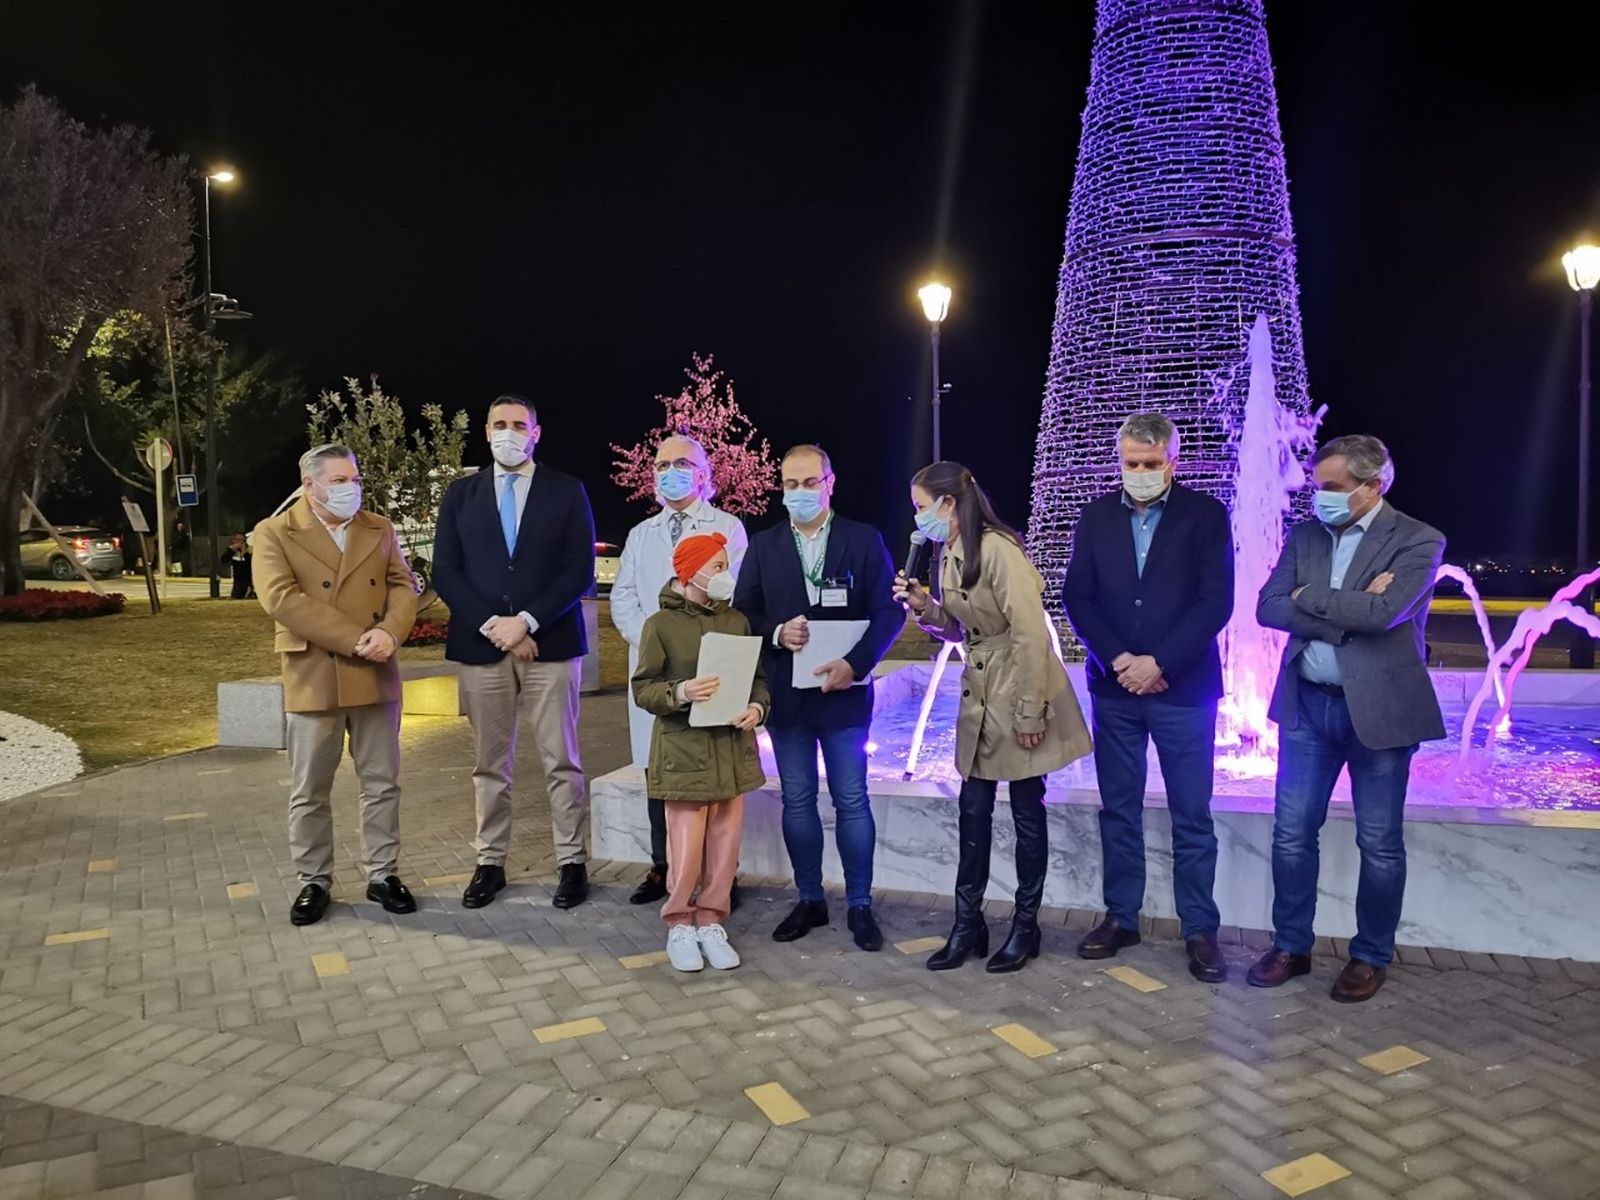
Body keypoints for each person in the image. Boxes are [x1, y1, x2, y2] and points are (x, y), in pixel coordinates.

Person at [1249, 434, 1445, 1004]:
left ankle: (1369, 957)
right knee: (1291, 836)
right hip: (1309, 705)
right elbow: (1267, 606)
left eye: (1332, 487)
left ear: (1372, 486)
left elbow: (1386, 614)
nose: (1319, 496)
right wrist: (1347, 605)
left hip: (1380, 714)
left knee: (1379, 843)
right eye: (1317, 484)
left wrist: (1310, 597)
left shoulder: (1418, 539)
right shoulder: (1305, 534)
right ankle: (1291, 945)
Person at [895, 462, 1093, 972]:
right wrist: (925, 607)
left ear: (947, 504)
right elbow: (965, 632)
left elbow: (1030, 637)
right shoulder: (949, 553)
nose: (918, 518)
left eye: (921, 506)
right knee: (973, 809)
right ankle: (968, 924)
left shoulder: (1001, 552)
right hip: (982, 693)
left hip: (1021, 687)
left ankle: (1026, 927)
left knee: (1028, 811)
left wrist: (1031, 714)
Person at [1060, 413, 1235, 983]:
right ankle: (1120, 917)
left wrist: (1160, 662)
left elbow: (1215, 603)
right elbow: (1078, 598)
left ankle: (1199, 928)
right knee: (1119, 809)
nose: (1139, 473)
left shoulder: (1206, 516)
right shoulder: (1094, 517)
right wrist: (1119, 661)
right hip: (1115, 691)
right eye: (1131, 463)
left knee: (1192, 815)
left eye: (1150, 464)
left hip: (1183, 689)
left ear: (1172, 463)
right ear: (1120, 460)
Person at [732, 444, 903, 951]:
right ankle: (809, 898)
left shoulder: (863, 539)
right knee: (798, 800)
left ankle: (860, 904)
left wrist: (857, 663)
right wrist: (777, 632)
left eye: (810, 482)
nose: (800, 492)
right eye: (791, 484)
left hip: (845, 693)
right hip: (788, 698)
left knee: (852, 800)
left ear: (830, 483)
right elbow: (744, 613)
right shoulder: (763, 546)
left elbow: (890, 612)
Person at [432, 395, 597, 911]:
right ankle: (489, 862)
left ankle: (572, 862)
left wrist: (525, 622)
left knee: (562, 760)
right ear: (485, 431)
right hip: (482, 649)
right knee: (489, 763)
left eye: (518, 425)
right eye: (499, 424)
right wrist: (495, 627)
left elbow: (578, 570)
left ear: (536, 432)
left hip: (551, 644)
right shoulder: (460, 496)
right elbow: (446, 572)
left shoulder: (567, 491)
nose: (509, 432)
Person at [252, 444, 419, 926]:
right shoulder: (275, 532)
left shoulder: (379, 528)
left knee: (382, 784)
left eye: (355, 479)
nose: (352, 489)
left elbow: (402, 586)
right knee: (309, 789)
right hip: (314, 673)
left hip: (376, 670)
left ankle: (383, 874)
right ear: (310, 485)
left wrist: (388, 632)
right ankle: (313, 880)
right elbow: (281, 599)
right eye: (340, 480)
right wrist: (355, 639)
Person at [610, 435, 748, 905]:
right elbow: (623, 594)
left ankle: (718, 876)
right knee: (659, 767)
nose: (670, 470)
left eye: (682, 463)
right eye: (662, 463)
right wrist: (653, 640)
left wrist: (686, 642)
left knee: (712, 767)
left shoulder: (728, 527)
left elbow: (732, 592)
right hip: (658, 667)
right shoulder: (640, 533)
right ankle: (662, 867)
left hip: (710, 663)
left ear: (704, 473)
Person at [631, 533, 768, 971]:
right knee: (686, 847)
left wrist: (757, 707)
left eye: (727, 565)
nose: (725, 575)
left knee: (725, 845)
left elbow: (758, 679)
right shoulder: (660, 625)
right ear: (690, 572)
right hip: (684, 752)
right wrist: (681, 691)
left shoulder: (738, 621)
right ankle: (679, 924)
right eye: (718, 566)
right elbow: (643, 688)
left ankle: (711, 919)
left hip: (731, 750)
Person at [221, 532, 254, 599]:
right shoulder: (232, 551)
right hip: (237, 581)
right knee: (235, 597)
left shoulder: (249, 551)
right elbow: (224, 560)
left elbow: (249, 565)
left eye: (240, 540)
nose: (237, 542)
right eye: (236, 540)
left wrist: (244, 552)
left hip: (248, 581)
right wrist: (230, 551)